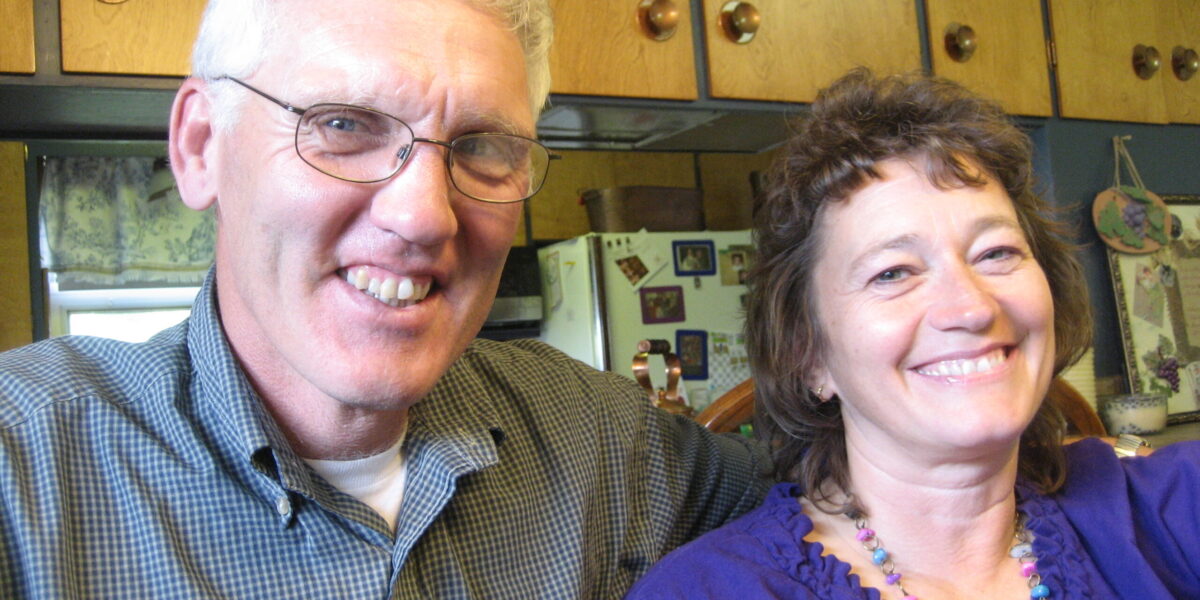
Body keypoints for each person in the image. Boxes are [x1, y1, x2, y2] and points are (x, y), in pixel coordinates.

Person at [0, 1, 771, 597]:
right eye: (342, 125)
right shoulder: (23, 471)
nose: (423, 215)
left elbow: (851, 507)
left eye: (480, 148)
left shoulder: (602, 440)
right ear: (202, 147)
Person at [625, 70, 1200, 599]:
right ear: (808, 355)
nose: (971, 307)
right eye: (893, 272)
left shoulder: (1170, 508)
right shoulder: (708, 590)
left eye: (996, 252)